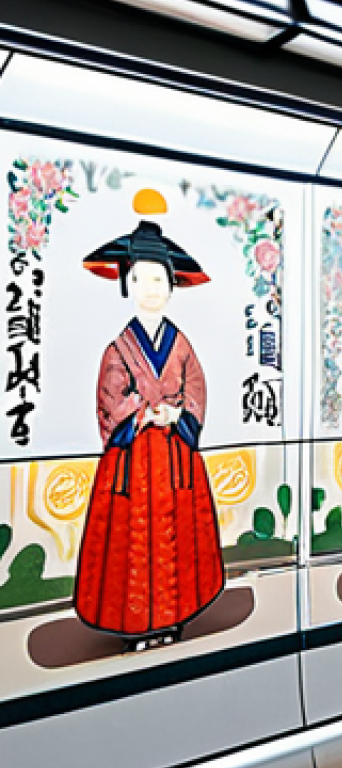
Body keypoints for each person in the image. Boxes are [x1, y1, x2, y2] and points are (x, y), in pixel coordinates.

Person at [75, 219, 225, 651]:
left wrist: (178, 413)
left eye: (159, 280)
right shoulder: (118, 349)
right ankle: (139, 626)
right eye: (141, 279)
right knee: (136, 545)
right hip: (135, 463)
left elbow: (196, 388)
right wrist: (143, 413)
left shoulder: (180, 345)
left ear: (172, 285)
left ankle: (174, 620)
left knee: (178, 541)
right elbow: (109, 402)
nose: (151, 289)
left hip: (176, 458)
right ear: (128, 283)